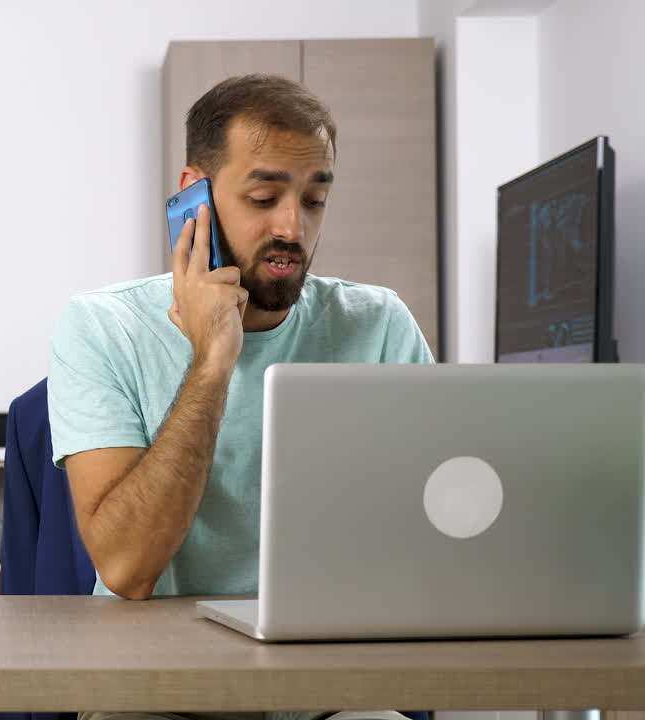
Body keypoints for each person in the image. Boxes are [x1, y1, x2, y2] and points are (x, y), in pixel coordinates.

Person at [47, 75, 434, 720]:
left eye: (314, 200)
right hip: (155, 685)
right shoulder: (100, 326)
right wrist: (213, 360)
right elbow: (128, 568)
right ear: (193, 195)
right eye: (264, 196)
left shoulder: (379, 325)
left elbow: (431, 536)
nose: (293, 226)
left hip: (329, 683)